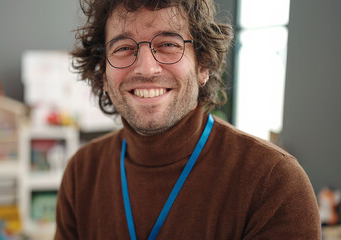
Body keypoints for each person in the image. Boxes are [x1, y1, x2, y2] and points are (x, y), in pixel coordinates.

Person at [55, 0, 321, 239]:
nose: (146, 68)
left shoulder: (272, 183)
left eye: (168, 44)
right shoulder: (83, 172)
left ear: (203, 64)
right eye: (123, 48)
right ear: (103, 73)